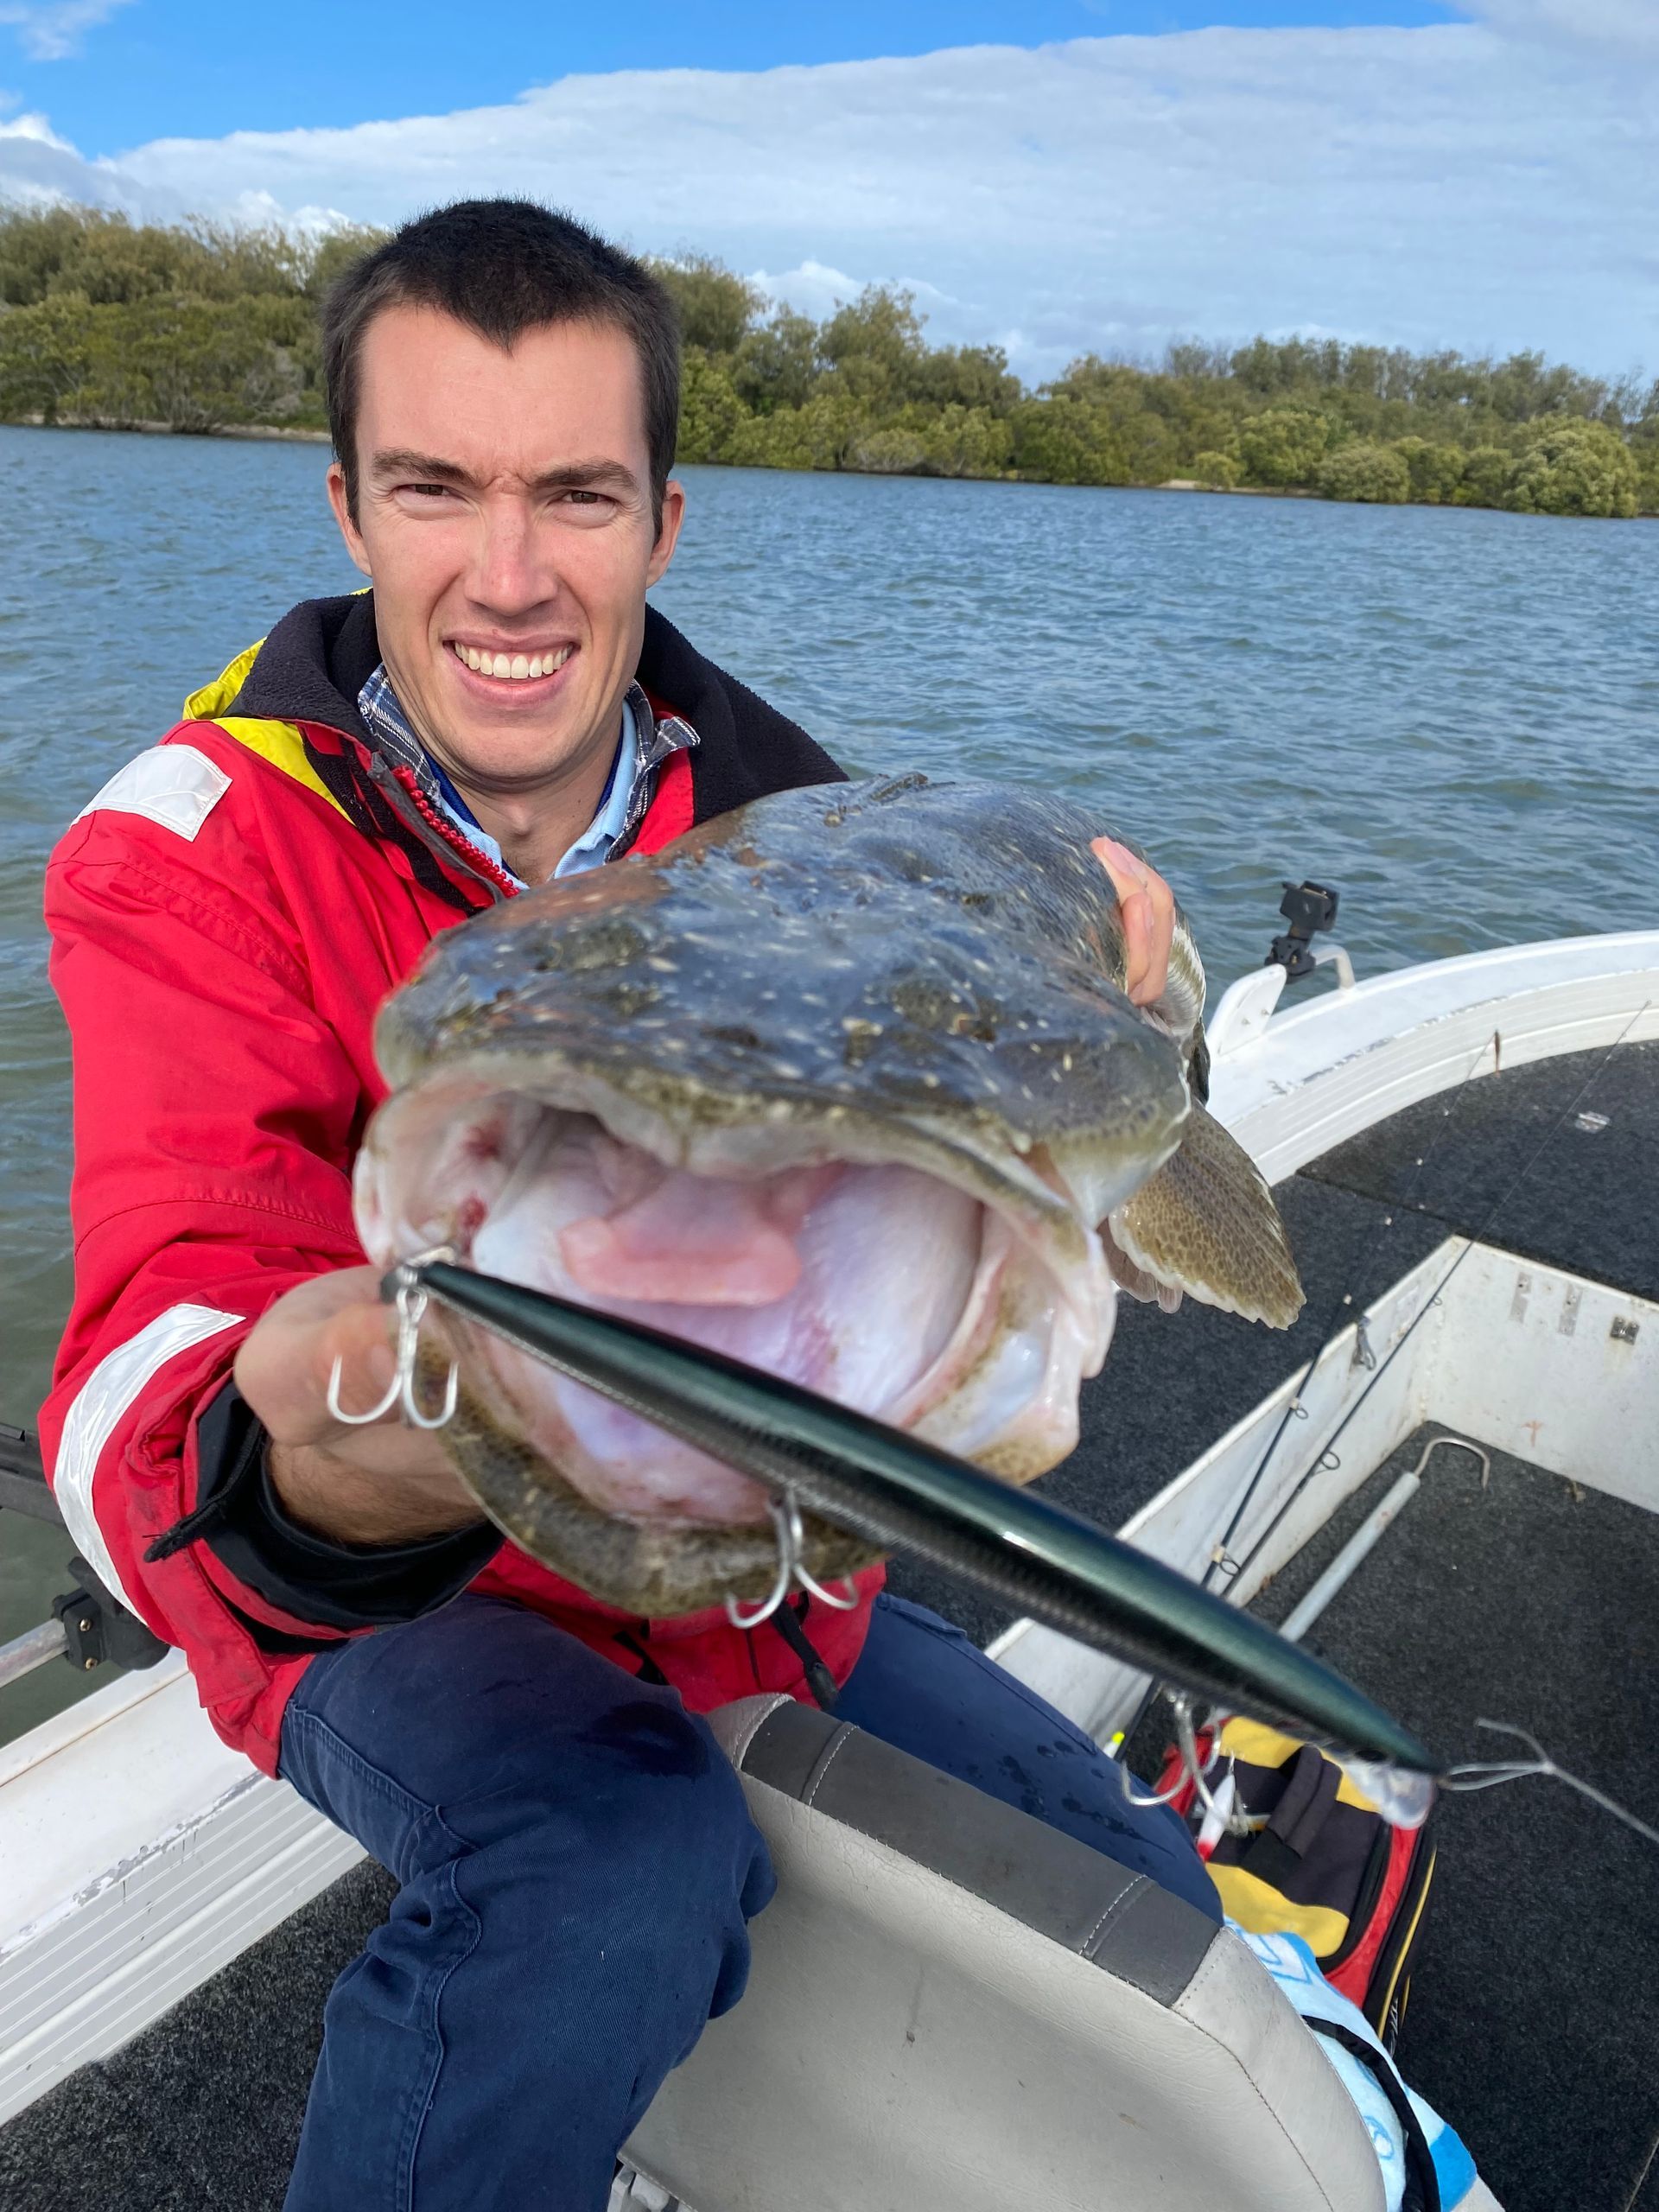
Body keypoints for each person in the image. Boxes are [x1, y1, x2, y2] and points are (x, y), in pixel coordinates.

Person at [41, 200, 1209, 2212]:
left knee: (1115, 1868)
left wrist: (1132, 1006)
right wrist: (322, 1439)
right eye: (436, 489)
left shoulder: (795, 813)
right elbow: (140, 1370)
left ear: (667, 522)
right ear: (347, 507)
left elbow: (975, 1136)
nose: (508, 574)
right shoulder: (185, 851)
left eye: (576, 494)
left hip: (770, 1578)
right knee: (613, 1866)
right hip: (387, 1577)